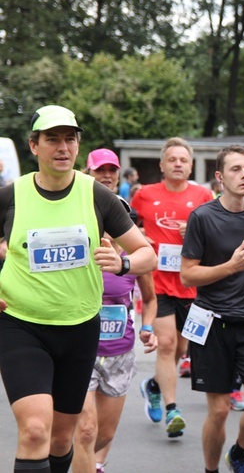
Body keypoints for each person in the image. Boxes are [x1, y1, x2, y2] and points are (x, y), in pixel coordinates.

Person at [0, 105, 156, 473]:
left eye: (70, 139)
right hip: (22, 325)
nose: (62, 147)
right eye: (51, 139)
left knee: (61, 438)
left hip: (81, 327)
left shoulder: (97, 196)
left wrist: (124, 263)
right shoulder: (12, 196)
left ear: (78, 145)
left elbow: (147, 252)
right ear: (33, 146)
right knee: (36, 429)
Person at [180, 145, 244, 473]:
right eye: (237, 169)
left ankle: (239, 451)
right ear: (220, 177)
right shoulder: (203, 217)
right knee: (220, 411)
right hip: (212, 323)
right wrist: (232, 267)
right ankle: (211, 469)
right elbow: (187, 275)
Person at [73, 149, 159, 473]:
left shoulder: (137, 256)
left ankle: (83, 461)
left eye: (122, 221)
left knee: (104, 433)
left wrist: (147, 328)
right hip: (83, 349)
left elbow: (149, 300)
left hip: (121, 353)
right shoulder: (81, 245)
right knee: (85, 430)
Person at [131, 137, 214, 438]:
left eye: (183, 160)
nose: (178, 164)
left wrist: (194, 230)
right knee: (166, 345)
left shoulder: (204, 196)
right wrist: (139, 238)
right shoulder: (144, 195)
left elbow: (215, 238)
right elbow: (127, 227)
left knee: (181, 348)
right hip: (159, 284)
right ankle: (171, 410)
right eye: (173, 159)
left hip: (192, 286)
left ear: (191, 165)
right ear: (162, 165)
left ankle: (153, 386)